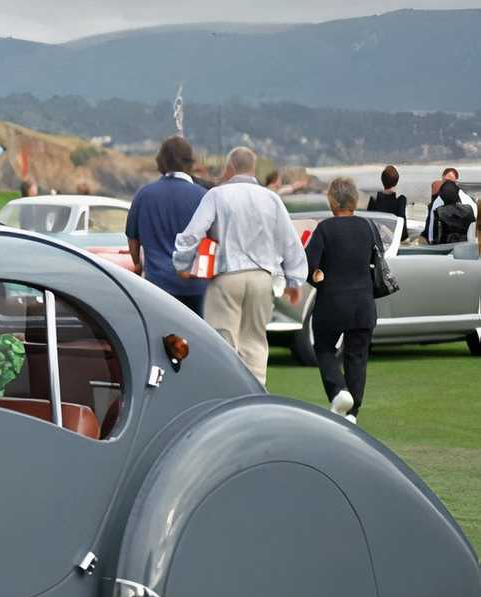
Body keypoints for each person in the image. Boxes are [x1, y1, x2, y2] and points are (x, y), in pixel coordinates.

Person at [173, 146, 308, 386]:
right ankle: (256, 396)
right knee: (255, 342)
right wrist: (294, 280)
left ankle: (227, 395)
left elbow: (192, 234)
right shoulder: (272, 198)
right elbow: (290, 242)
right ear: (253, 168)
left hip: (228, 275)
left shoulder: (217, 195)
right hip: (262, 277)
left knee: (223, 341)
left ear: (230, 167)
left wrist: (182, 263)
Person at [303, 177, 379, 423]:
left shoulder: (325, 228)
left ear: (332, 201)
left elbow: (309, 265)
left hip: (332, 303)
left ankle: (338, 390)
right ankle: (352, 412)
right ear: (355, 199)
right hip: (364, 303)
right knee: (357, 357)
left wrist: (318, 276)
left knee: (324, 348)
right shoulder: (368, 227)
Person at [126, 136, 208, 315]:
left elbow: (133, 238)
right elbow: (212, 240)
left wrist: (137, 265)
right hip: (196, 285)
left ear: (161, 161)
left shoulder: (144, 195)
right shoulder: (204, 196)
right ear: (190, 162)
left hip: (158, 285)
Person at [422, 167, 475, 242]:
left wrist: (431, 241)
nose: (448, 184)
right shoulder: (469, 201)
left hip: (447, 243)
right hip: (466, 242)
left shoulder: (438, 202)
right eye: (446, 181)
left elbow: (431, 232)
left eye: (450, 181)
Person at [430, 180, 474, 245]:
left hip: (444, 247)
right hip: (465, 245)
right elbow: (473, 229)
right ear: (457, 194)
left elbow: (433, 236)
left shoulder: (438, 212)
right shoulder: (468, 209)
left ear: (442, 196)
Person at [365, 165, 407, 230]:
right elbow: (402, 227)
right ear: (396, 182)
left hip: (377, 236)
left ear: (382, 179)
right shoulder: (400, 201)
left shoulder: (374, 200)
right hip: (393, 236)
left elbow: (368, 223)